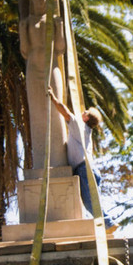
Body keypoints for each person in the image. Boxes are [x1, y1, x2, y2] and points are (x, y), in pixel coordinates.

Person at [48, 86, 118, 233]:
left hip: (83, 168)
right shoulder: (87, 131)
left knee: (89, 202)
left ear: (86, 118)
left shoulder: (79, 125)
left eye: (84, 112)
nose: (82, 112)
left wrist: (53, 97)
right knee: (94, 200)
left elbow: (65, 112)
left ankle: (108, 223)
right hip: (90, 169)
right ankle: (105, 224)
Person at [19, 0, 67, 169]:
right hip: (33, 68)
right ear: (32, 0)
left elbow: (60, 48)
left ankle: (59, 161)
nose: (39, 0)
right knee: (37, 113)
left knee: (56, 111)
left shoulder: (53, 20)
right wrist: (22, 31)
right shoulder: (28, 22)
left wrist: (59, 27)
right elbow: (24, 51)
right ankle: (40, 163)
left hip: (51, 67)